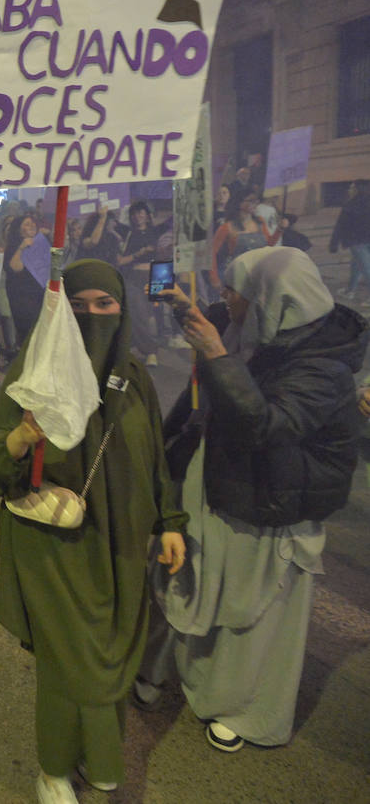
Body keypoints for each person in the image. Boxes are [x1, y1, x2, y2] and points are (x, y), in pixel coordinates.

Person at [137, 248, 366, 753]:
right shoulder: (255, 325)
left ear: (269, 299)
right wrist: (180, 304)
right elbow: (211, 320)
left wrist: (218, 355)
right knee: (186, 581)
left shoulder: (322, 366)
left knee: (249, 615)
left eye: (234, 291)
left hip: (269, 504)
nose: (224, 298)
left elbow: (266, 426)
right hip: (220, 482)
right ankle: (155, 670)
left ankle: (242, 708)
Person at [0, 260, 186, 804]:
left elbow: (155, 460)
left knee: (114, 651)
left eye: (104, 304)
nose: (91, 315)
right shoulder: (32, 375)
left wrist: (169, 523)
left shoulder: (135, 379)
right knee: (69, 663)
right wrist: (22, 437)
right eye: (76, 305)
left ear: (122, 310)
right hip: (53, 546)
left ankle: (98, 756)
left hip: (119, 546)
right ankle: (51, 770)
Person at [117, 201, 163, 366]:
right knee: (140, 312)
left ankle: (143, 344)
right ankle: (150, 350)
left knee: (155, 313)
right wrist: (139, 253)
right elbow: (121, 260)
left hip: (157, 274)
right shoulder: (129, 234)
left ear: (147, 214)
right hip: (136, 275)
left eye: (141, 212)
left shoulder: (155, 232)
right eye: (134, 214)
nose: (138, 216)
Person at [3, 215, 47, 350]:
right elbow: (16, 267)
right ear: (19, 230)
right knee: (27, 334)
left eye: (33, 223)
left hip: (40, 294)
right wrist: (22, 247)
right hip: (22, 298)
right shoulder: (13, 247)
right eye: (27, 224)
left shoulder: (41, 244)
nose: (32, 225)